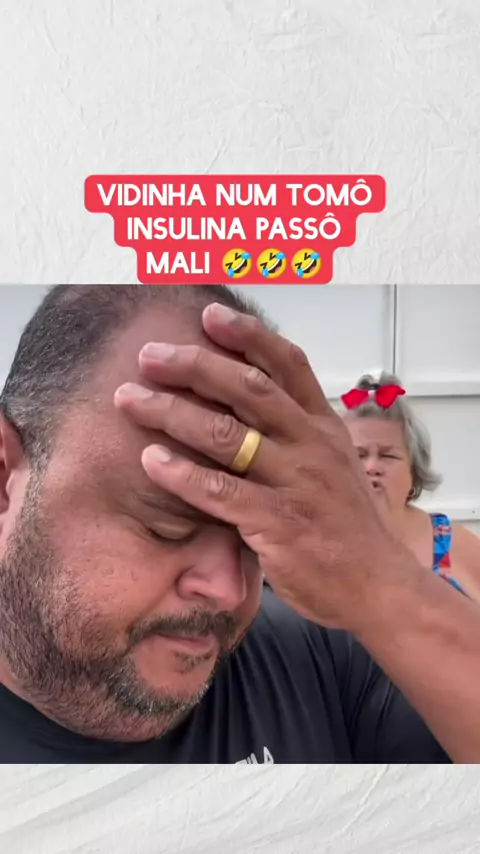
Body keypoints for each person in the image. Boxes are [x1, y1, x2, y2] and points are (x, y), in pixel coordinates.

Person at [1, 284, 480, 764]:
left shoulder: (320, 660)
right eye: (166, 528)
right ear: (5, 479)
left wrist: (385, 586)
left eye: (255, 540)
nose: (230, 591)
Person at [341, 372, 480, 602]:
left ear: (414, 469)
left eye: (388, 455)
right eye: (359, 455)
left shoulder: (454, 544)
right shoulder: (315, 543)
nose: (372, 467)